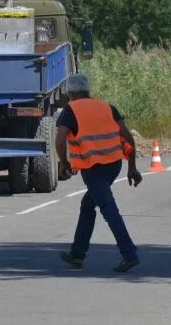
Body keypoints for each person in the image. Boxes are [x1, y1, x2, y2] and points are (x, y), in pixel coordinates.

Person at [56, 74, 142, 272]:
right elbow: (127, 136)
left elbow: (60, 140)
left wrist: (63, 163)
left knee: (108, 209)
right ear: (88, 90)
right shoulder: (107, 106)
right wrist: (132, 166)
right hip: (113, 165)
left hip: (93, 168)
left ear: (69, 92)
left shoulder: (70, 110)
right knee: (88, 205)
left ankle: (129, 254)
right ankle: (77, 254)